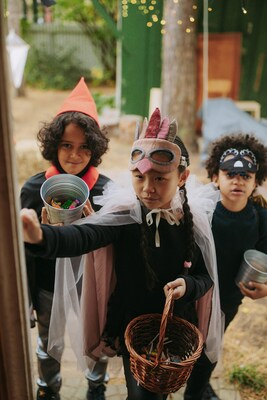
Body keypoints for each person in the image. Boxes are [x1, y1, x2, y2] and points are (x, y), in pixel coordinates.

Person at [21, 108, 223, 400]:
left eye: (160, 179)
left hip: (176, 326)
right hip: (133, 330)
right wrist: (41, 237)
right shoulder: (124, 216)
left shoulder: (190, 222)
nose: (147, 188)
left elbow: (205, 277)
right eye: (139, 177)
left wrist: (188, 285)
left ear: (182, 177)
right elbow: (84, 235)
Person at [20, 77, 111, 400]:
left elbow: (114, 246)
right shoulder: (33, 191)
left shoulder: (106, 192)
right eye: (67, 146)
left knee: (97, 337)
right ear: (53, 145)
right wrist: (27, 298)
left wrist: (92, 225)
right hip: (47, 284)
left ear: (96, 149)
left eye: (85, 147)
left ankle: (96, 386)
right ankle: (49, 387)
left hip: (91, 284)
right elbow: (23, 253)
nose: (75, 155)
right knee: (49, 339)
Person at [184, 133, 267, 400]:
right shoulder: (202, 210)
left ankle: (196, 391)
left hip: (229, 299)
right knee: (186, 345)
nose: (237, 181)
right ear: (215, 177)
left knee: (212, 349)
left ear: (256, 181)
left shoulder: (261, 217)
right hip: (194, 294)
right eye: (230, 173)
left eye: (246, 176)